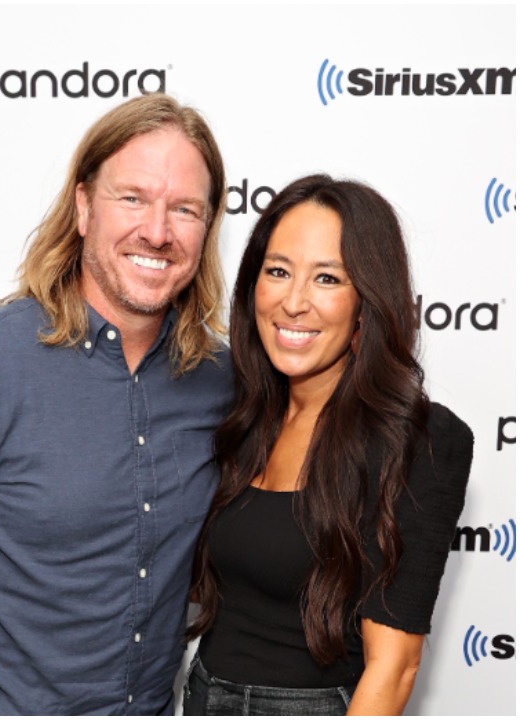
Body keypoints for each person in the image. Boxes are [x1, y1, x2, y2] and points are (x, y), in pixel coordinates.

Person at [0, 94, 233, 715]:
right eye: (132, 198)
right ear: (81, 206)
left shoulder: (222, 383)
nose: (157, 230)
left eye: (184, 209)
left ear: (207, 228)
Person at [184, 175, 474, 715]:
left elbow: (395, 668)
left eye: (327, 278)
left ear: (367, 301)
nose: (294, 302)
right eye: (278, 271)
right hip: (203, 694)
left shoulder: (419, 440)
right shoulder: (240, 411)